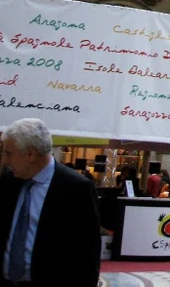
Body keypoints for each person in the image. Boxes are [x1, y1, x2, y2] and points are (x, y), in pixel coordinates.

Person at [0, 117, 101, 286]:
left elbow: (88, 253)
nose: (4, 160)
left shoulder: (76, 188)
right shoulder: (9, 181)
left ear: (30, 154)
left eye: (9, 153)